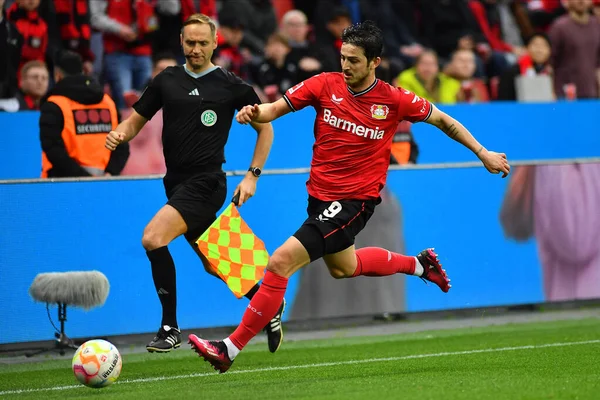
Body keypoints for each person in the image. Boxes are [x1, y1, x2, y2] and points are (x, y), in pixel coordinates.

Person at [188, 20, 511, 373]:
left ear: (374, 61)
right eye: (343, 58)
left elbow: (445, 121)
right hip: (320, 198)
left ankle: (229, 348)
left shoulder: (394, 99)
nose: (345, 66)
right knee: (345, 267)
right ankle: (420, 265)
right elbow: (274, 110)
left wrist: (483, 152)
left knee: (280, 262)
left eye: (354, 60)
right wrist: (254, 113)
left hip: (355, 202)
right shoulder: (324, 84)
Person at [104, 14, 284, 354]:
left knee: (153, 238)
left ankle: (169, 327)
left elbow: (266, 128)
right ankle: (268, 304)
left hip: (207, 182)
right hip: (175, 183)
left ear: (216, 43)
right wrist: (119, 134)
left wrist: (252, 176)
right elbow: (135, 122)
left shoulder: (232, 84)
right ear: (181, 43)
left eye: (203, 43)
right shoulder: (166, 80)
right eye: (190, 42)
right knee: (213, 262)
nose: (196, 49)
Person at [40, 51, 128, 178]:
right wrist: (110, 173)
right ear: (83, 71)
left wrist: (84, 177)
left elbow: (53, 149)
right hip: (104, 183)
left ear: (57, 75)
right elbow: (122, 144)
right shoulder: (107, 102)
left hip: (62, 184)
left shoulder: (54, 104)